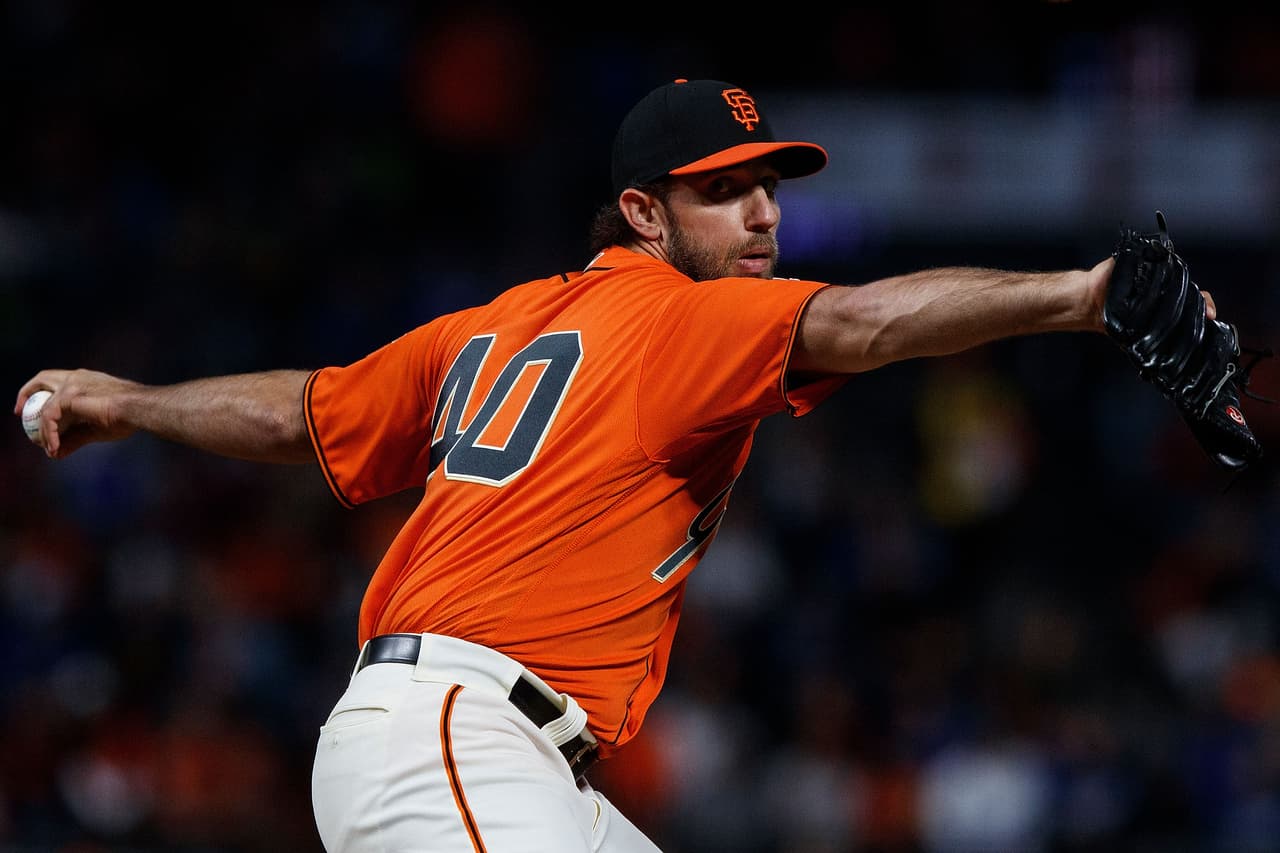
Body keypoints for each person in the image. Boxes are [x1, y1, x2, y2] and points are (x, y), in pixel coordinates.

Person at [13, 78, 1215, 852]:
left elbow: (303, 414)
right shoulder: (682, 320)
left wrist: (134, 401)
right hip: (455, 736)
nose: (762, 217)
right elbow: (868, 322)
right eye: (723, 192)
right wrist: (1085, 294)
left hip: (502, 756)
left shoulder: (493, 324)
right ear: (644, 215)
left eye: (767, 189)